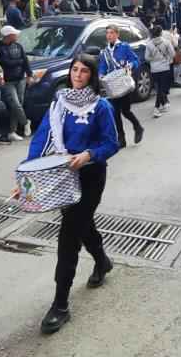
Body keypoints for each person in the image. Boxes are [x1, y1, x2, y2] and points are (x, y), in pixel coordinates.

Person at [21, 53, 119, 334]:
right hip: (63, 177)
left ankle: (60, 304)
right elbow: (42, 139)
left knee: (68, 237)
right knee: (81, 226)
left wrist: (89, 154)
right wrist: (27, 174)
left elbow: (112, 143)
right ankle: (102, 261)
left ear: (92, 75)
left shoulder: (101, 107)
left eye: (84, 71)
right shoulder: (58, 102)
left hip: (89, 178)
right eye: (74, 70)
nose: (77, 74)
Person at [99, 25, 144, 148]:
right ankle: (121, 138)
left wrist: (130, 66)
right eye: (107, 33)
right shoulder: (105, 52)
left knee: (125, 110)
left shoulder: (124, 47)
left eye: (112, 33)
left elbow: (136, 60)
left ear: (117, 34)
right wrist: (101, 74)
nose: (109, 35)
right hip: (112, 85)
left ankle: (137, 126)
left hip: (123, 83)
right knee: (115, 113)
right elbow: (102, 66)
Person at [0, 25, 33, 142]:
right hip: (8, 81)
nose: (17, 35)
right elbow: (6, 63)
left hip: (20, 79)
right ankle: (26, 122)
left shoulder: (18, 46)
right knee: (15, 104)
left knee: (18, 105)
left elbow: (25, 60)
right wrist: (19, 62)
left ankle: (13, 131)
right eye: (14, 34)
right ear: (9, 36)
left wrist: (29, 75)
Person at [144, 25, 175, 118]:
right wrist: (167, 59)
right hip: (165, 67)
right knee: (161, 88)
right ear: (161, 33)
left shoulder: (149, 44)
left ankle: (164, 103)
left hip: (154, 69)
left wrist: (154, 59)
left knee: (158, 87)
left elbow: (146, 58)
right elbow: (172, 53)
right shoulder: (166, 42)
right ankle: (156, 107)